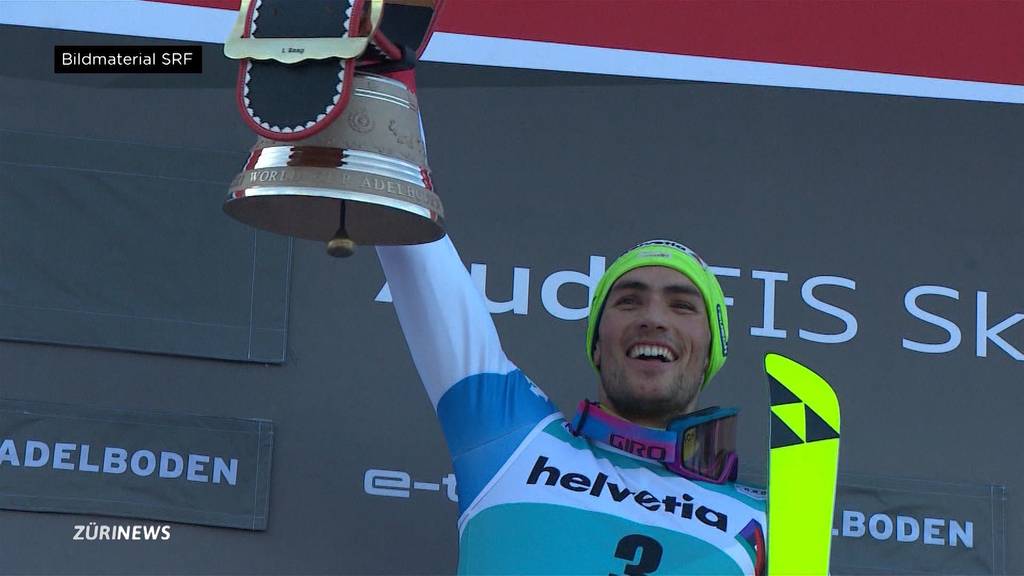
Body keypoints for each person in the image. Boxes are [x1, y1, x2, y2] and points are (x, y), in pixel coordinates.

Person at [377, 236, 766, 575]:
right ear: (596, 344)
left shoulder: (763, 523)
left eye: (682, 306)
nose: (652, 318)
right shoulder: (513, 439)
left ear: (711, 351)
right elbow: (413, 239)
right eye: (629, 301)